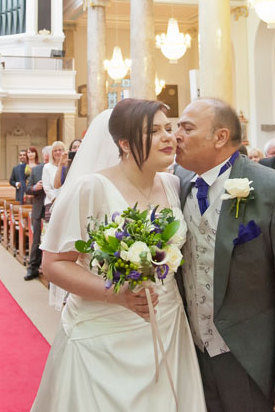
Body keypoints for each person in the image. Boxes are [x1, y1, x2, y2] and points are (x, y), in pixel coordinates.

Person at [30, 99, 204, 411]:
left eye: (169, 128)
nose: (168, 137)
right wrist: (116, 294)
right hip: (104, 330)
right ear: (123, 143)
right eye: (153, 131)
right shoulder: (91, 188)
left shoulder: (171, 183)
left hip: (166, 324)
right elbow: (53, 263)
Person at [175, 98, 275, 412]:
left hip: (256, 360)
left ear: (219, 137)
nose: (176, 135)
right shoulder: (177, 186)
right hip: (195, 357)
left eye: (186, 128)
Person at [24, 146, 48, 280]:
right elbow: (27, 189)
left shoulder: (62, 170)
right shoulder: (37, 170)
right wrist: (35, 187)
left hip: (54, 209)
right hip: (39, 208)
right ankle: (33, 268)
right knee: (36, 240)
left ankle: (50, 270)